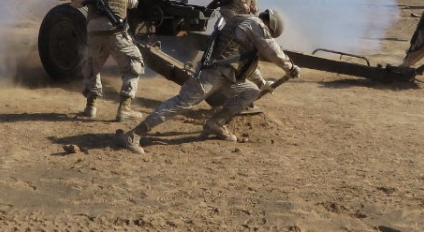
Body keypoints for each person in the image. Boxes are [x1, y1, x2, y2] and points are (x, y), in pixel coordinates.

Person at [116, 8, 299, 155]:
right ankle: (134, 135)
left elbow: (246, 60)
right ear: (270, 26)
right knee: (182, 103)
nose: (268, 35)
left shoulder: (245, 23)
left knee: (250, 91)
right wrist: (290, 67)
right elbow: (272, 50)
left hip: (228, 76)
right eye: (270, 33)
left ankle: (216, 123)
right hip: (212, 73)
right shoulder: (255, 24)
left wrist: (261, 82)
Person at [69, 0, 149, 122]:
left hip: (95, 36)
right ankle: (125, 108)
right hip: (116, 34)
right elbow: (133, 3)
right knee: (134, 65)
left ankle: (90, 107)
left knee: (92, 68)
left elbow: (75, 3)